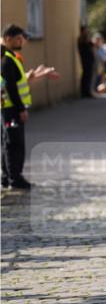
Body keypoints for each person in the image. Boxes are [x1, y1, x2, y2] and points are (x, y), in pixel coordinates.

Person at [2, 24, 58, 190]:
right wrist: (21, 109)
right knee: (14, 144)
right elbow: (11, 87)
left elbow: (20, 82)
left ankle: (7, 177)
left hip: (11, 108)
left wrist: (40, 74)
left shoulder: (12, 58)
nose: (22, 41)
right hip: (11, 109)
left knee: (10, 143)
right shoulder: (7, 60)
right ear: (7, 39)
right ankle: (14, 179)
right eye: (18, 38)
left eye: (22, 38)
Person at [77, 25, 96, 98]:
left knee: (89, 75)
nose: (86, 32)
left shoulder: (87, 39)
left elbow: (92, 45)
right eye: (85, 31)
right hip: (85, 60)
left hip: (89, 60)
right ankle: (85, 91)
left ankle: (87, 91)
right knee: (86, 75)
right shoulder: (81, 39)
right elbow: (86, 46)